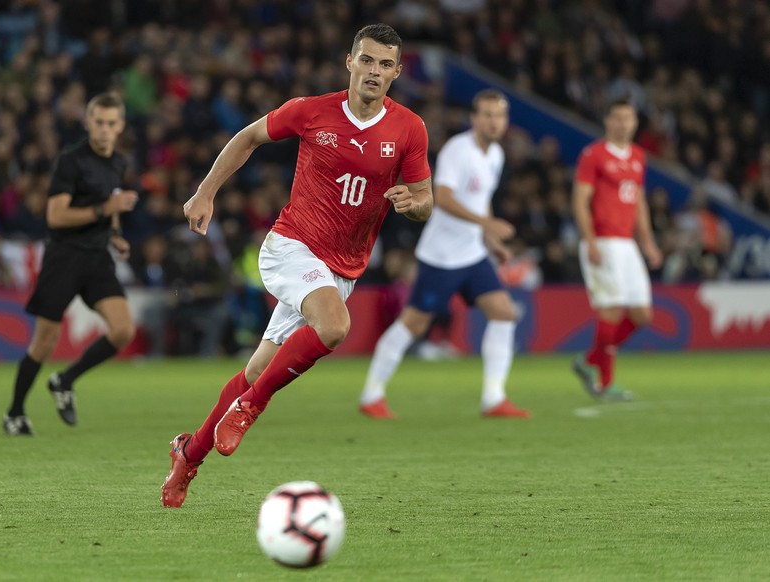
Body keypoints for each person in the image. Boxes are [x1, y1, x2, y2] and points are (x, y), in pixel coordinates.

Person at [161, 24, 433, 508]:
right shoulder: (311, 111)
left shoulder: (409, 128)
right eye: (366, 60)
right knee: (333, 327)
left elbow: (425, 202)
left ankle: (189, 454)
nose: (374, 71)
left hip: (340, 269)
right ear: (349, 62)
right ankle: (252, 407)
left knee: (259, 367)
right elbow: (247, 139)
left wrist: (409, 204)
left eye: (385, 65)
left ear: (396, 72)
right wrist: (206, 192)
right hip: (291, 246)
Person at [358, 90, 531, 420]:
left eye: (500, 116)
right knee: (414, 323)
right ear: (475, 118)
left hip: (473, 252)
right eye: (488, 115)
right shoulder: (458, 150)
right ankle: (371, 394)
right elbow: (445, 198)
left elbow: (481, 201)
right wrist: (488, 222)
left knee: (504, 313)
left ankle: (494, 399)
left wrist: (489, 237)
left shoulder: (495, 155)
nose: (495, 122)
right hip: (442, 256)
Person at [3, 92, 139, 436]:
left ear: (120, 126)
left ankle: (64, 380)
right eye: (99, 122)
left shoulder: (118, 163)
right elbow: (56, 215)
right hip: (64, 257)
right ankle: (15, 414)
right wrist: (105, 211)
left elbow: (108, 208)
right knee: (45, 342)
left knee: (123, 329)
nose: (105, 129)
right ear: (88, 123)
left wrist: (115, 234)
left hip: (96, 258)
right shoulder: (71, 160)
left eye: (112, 123)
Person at [571, 98, 663, 401]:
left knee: (641, 314)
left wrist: (647, 241)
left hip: (627, 244)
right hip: (603, 241)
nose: (623, 123)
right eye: (618, 118)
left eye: (629, 118)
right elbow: (580, 200)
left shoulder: (638, 155)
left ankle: (589, 361)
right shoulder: (593, 155)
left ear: (636, 123)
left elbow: (638, 201)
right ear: (607, 121)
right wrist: (590, 240)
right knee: (610, 310)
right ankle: (606, 383)